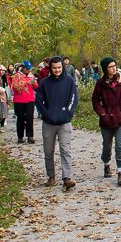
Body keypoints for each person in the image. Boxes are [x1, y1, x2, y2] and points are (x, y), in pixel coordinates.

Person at [36, 56, 79, 191]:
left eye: (59, 68)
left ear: (63, 67)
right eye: (54, 68)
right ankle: (51, 176)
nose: (57, 70)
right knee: (48, 151)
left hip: (64, 121)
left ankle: (67, 177)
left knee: (65, 149)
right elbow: (38, 101)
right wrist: (46, 113)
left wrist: (68, 112)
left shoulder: (69, 81)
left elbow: (74, 98)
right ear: (50, 68)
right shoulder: (44, 83)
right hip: (49, 122)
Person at [92, 57, 121, 186]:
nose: (113, 68)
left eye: (114, 65)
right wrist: (102, 113)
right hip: (106, 119)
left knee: (120, 145)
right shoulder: (100, 83)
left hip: (120, 118)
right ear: (105, 68)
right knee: (107, 145)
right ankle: (106, 163)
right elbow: (95, 100)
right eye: (110, 66)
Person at [10, 61, 38, 144]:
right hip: (19, 100)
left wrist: (34, 83)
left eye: (29, 69)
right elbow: (15, 87)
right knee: (20, 118)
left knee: (30, 117)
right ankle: (20, 136)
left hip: (30, 99)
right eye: (27, 69)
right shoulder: (17, 76)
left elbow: (36, 87)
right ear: (23, 68)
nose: (28, 70)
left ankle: (30, 136)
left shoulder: (31, 75)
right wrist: (26, 82)